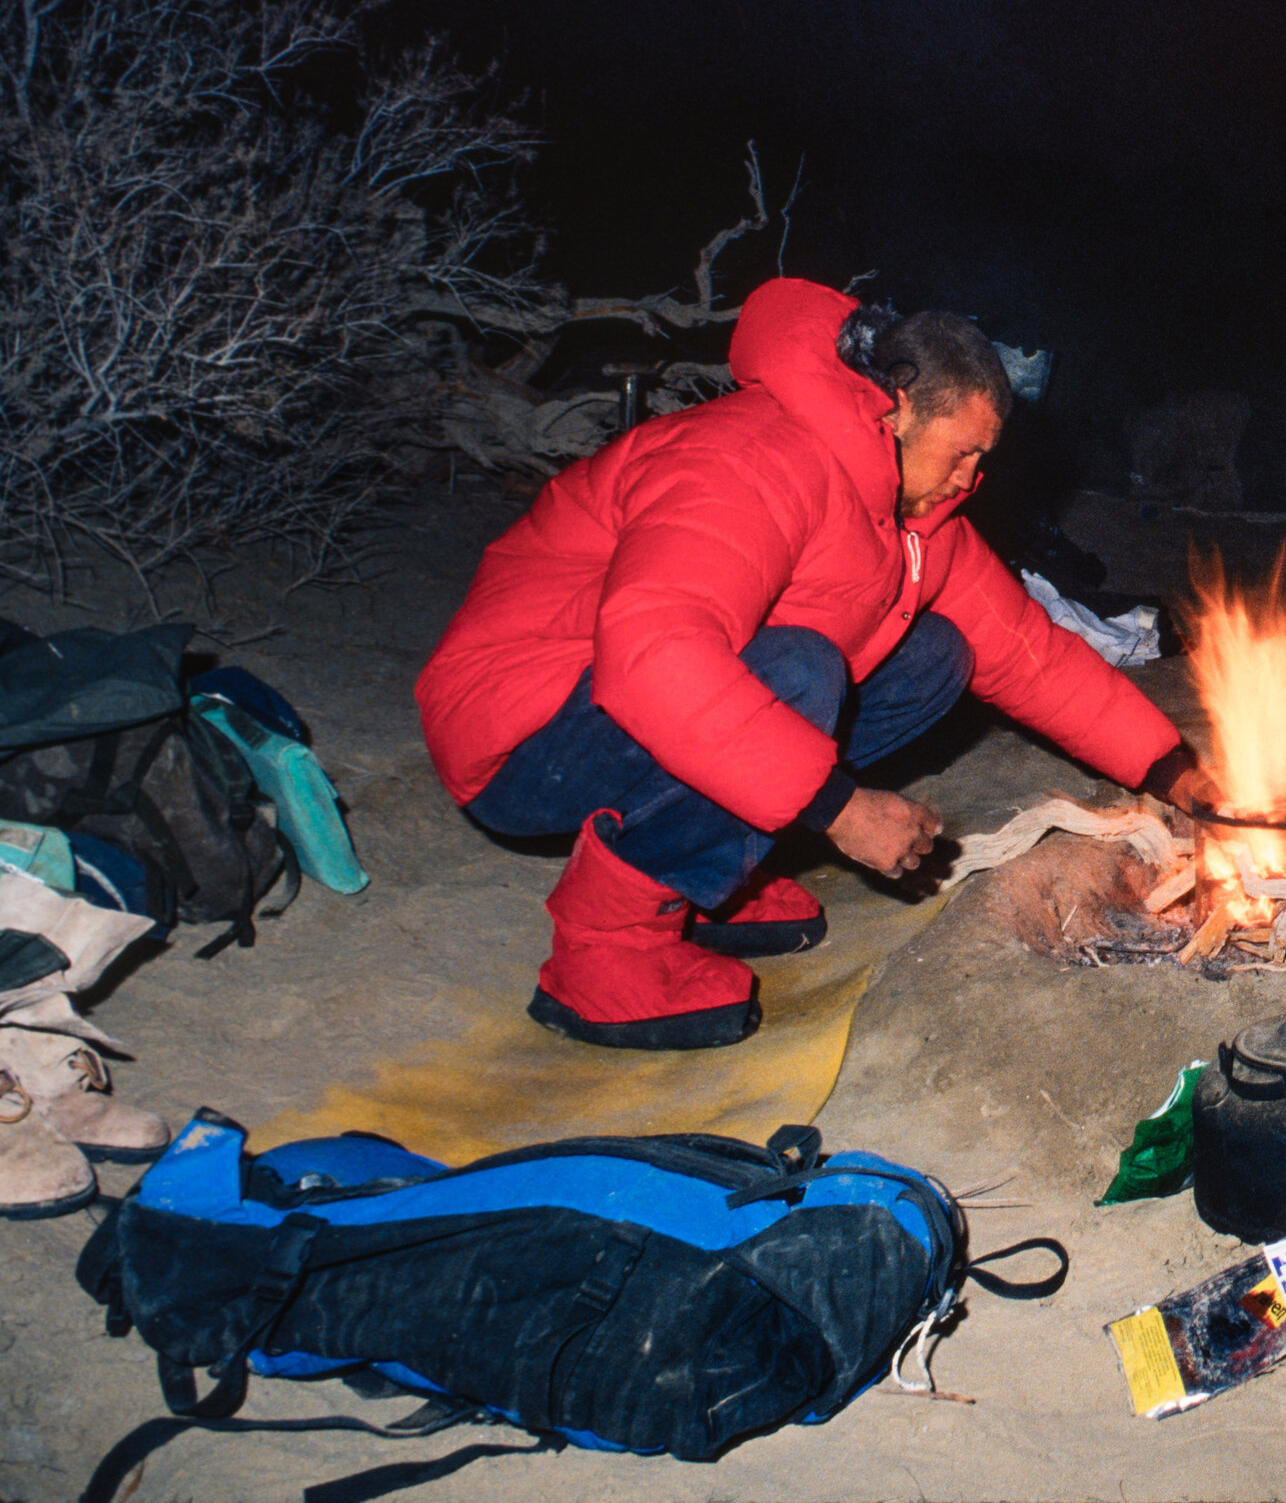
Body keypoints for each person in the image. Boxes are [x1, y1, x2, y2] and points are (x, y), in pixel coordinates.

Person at [419, 278, 1199, 1049]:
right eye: (964, 451)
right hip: (518, 733)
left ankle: (710, 879)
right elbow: (655, 658)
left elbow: (1033, 656)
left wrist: (1174, 771)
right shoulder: (750, 456)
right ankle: (602, 951)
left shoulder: (918, 520)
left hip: (625, 714)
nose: (972, 479)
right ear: (894, 407)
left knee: (936, 657)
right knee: (800, 668)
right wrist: (839, 809)